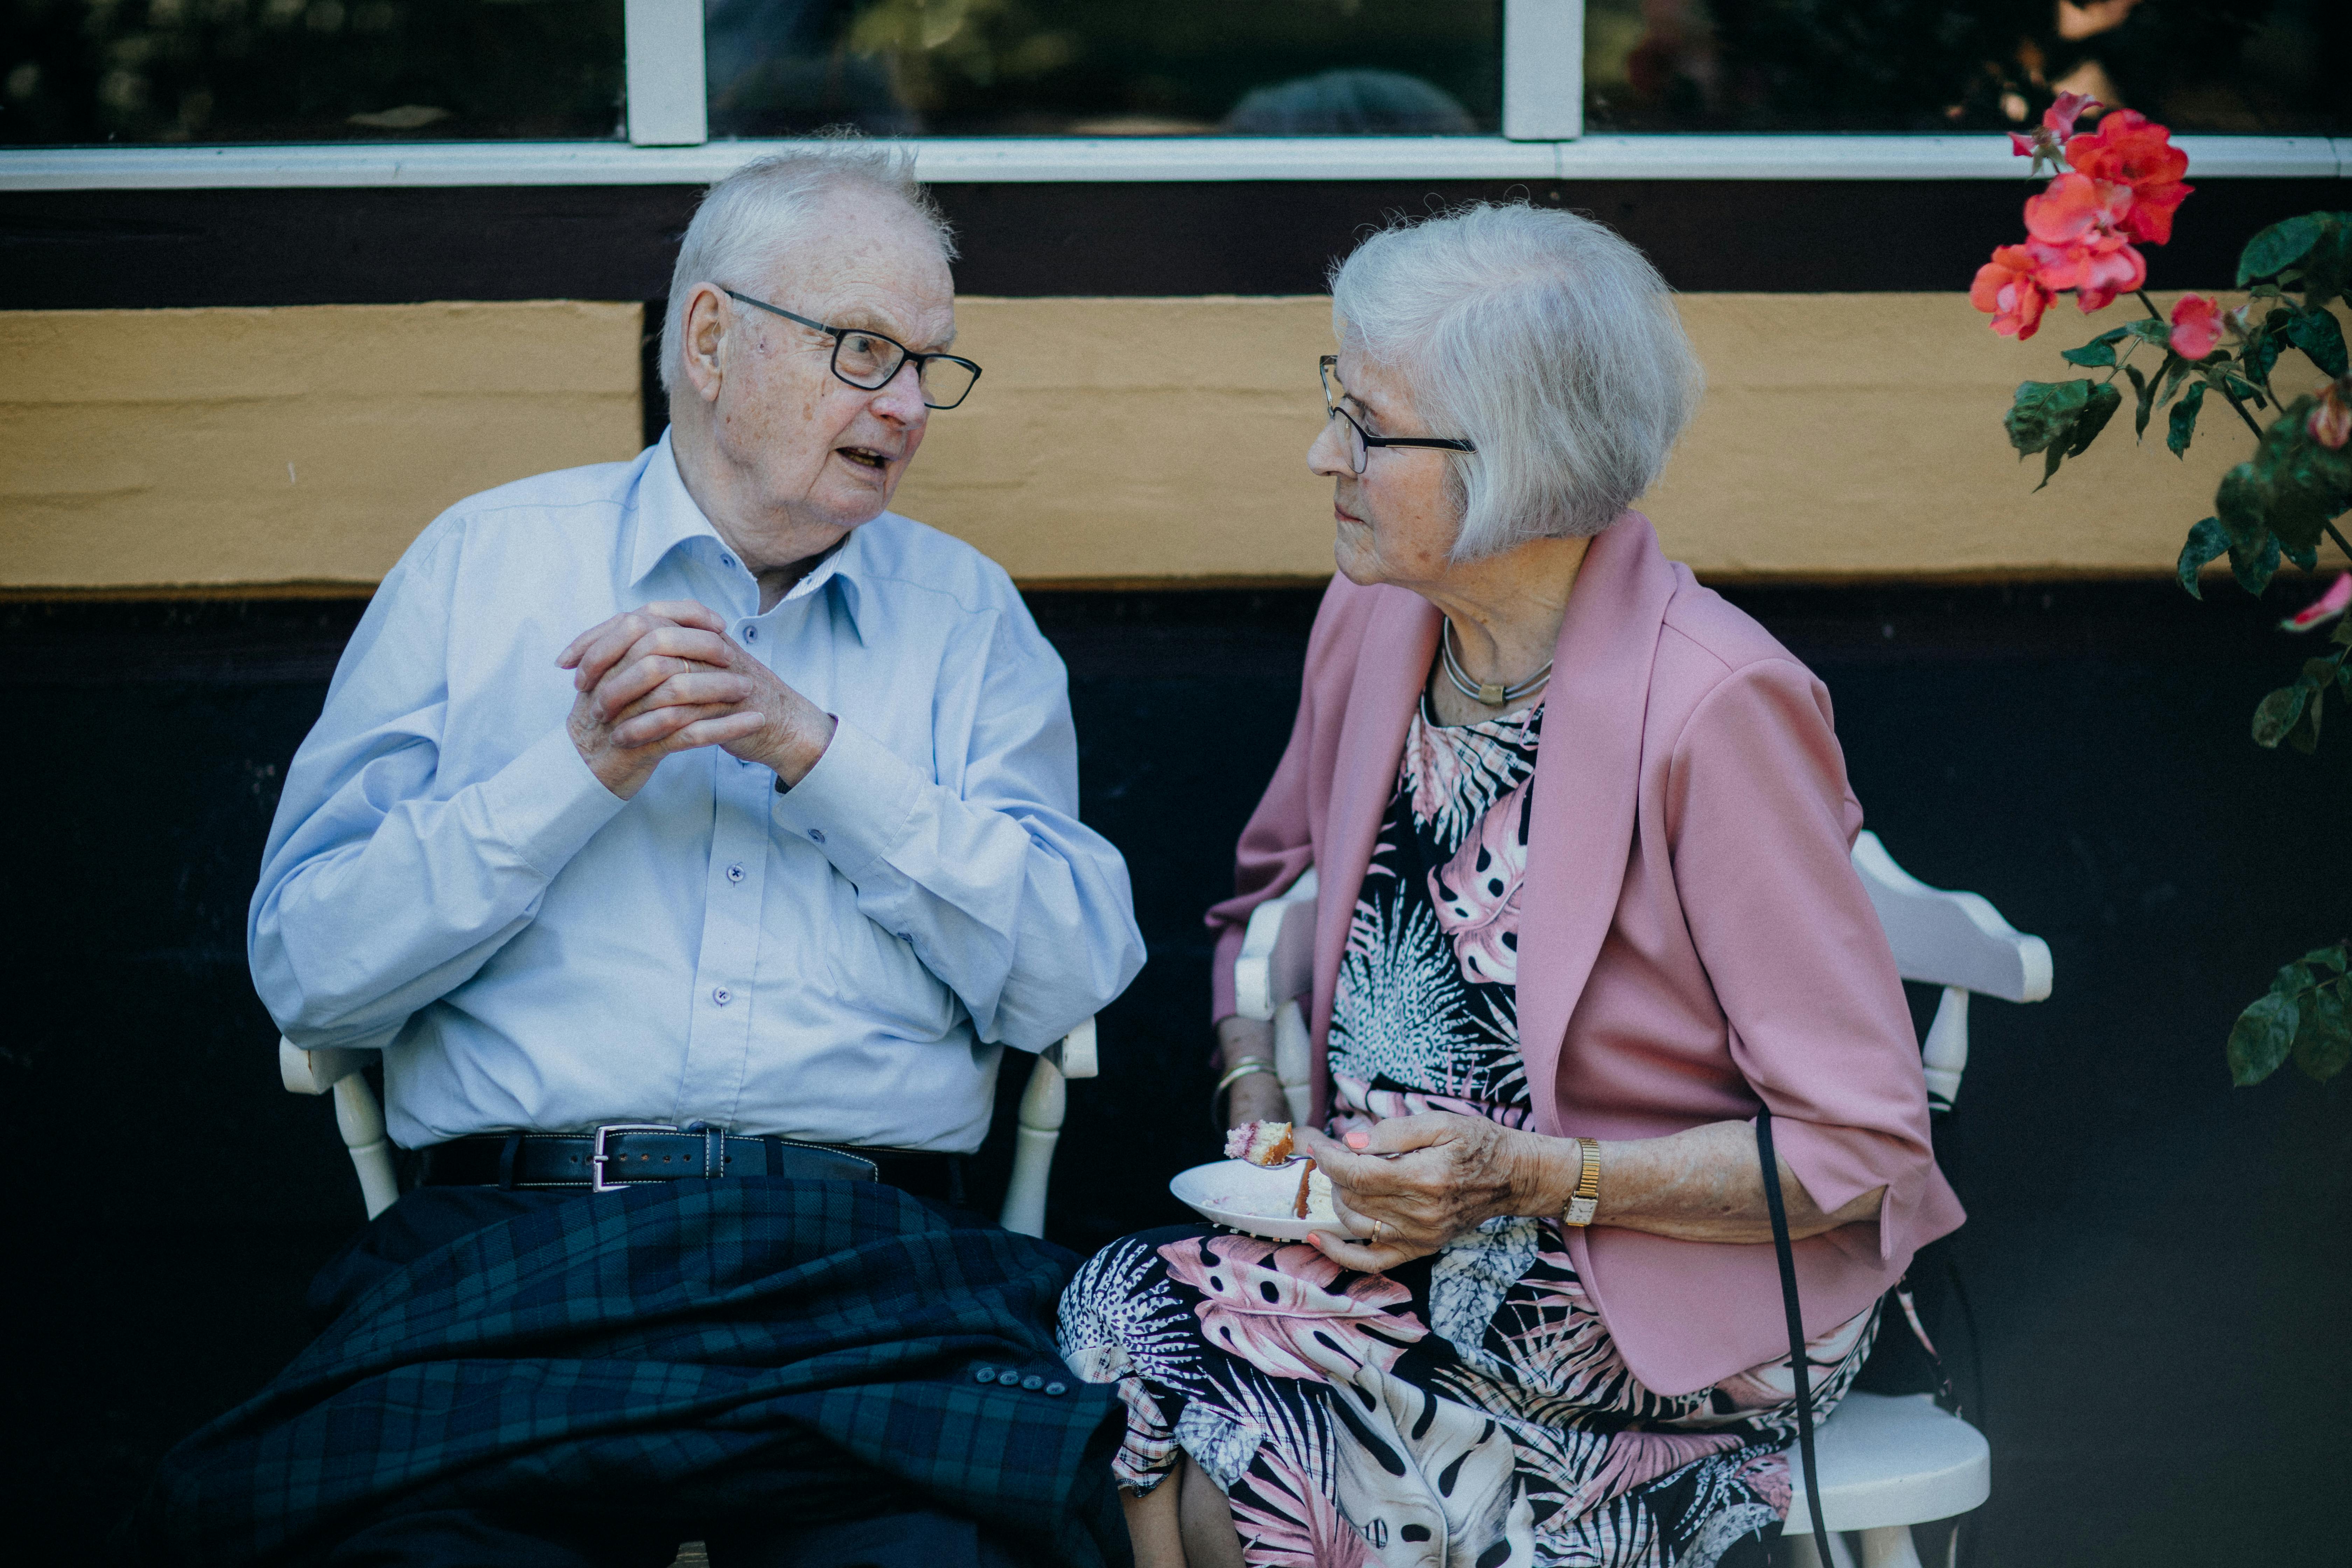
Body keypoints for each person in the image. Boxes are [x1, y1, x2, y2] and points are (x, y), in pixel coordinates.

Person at [138, 144, 1144, 1568]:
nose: (910, 406)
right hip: (512, 1268)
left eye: (932, 364)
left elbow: (1066, 980)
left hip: (869, 1285)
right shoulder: (481, 566)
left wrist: (821, 752)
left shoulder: (967, 619)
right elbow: (313, 977)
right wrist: (577, 773)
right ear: (713, 337)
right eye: (866, 352)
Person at [1058, 202, 1963, 1567]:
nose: (1324, 455)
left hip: (1648, 1296)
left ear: (1520, 468)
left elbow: (1861, 1146)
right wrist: (1257, 1090)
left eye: (1367, 423)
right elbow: (1266, 902)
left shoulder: (1719, 706)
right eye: (1334, 404)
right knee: (1103, 1330)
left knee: (1304, 1482)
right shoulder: (1377, 616)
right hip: (1392, 1249)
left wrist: (1529, 1178)